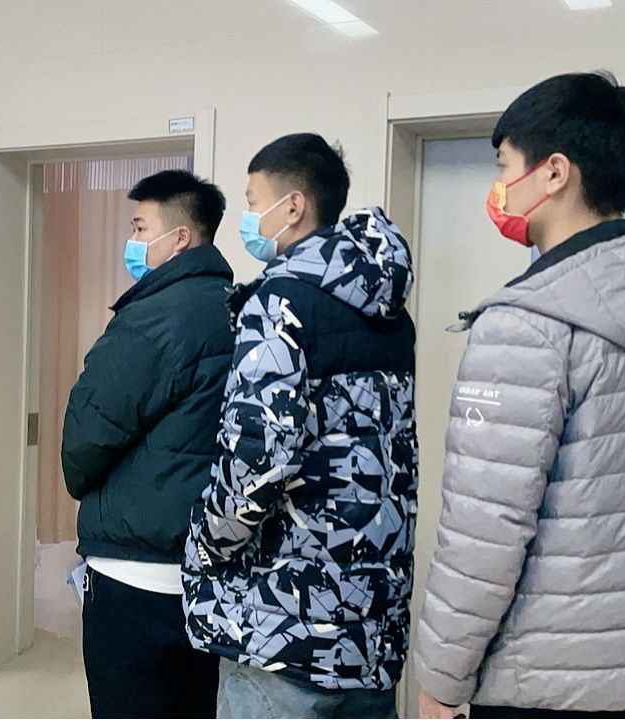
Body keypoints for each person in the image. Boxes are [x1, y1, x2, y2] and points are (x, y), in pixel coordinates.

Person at [409, 72, 625, 719]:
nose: (499, 188)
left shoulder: (526, 324)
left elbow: (484, 533)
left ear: (554, 173)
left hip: (554, 684)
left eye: (505, 167)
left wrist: (440, 679)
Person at [183, 134, 417, 719]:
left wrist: (205, 546)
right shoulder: (389, 311)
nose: (248, 216)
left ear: (292, 206)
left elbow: (258, 459)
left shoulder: (279, 302)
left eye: (252, 200)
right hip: (369, 620)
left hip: (285, 622)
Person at [61, 169, 233, 718]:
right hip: (213, 565)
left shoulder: (153, 317)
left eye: (139, 228)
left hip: (135, 570)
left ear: (180, 237)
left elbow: (88, 435)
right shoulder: (239, 307)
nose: (131, 241)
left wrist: (80, 481)